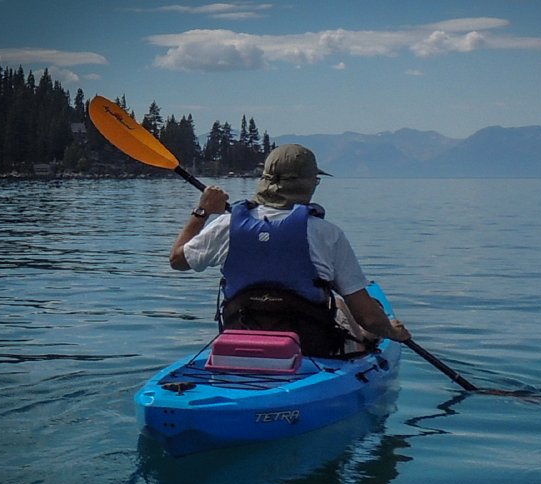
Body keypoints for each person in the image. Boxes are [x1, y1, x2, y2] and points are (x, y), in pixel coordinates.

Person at [169, 144, 410, 356]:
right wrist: (392, 332)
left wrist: (202, 211)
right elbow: (368, 317)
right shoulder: (327, 234)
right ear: (308, 184)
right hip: (311, 350)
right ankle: (365, 341)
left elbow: (177, 260)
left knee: (339, 305)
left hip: (241, 343)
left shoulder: (226, 225)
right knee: (352, 312)